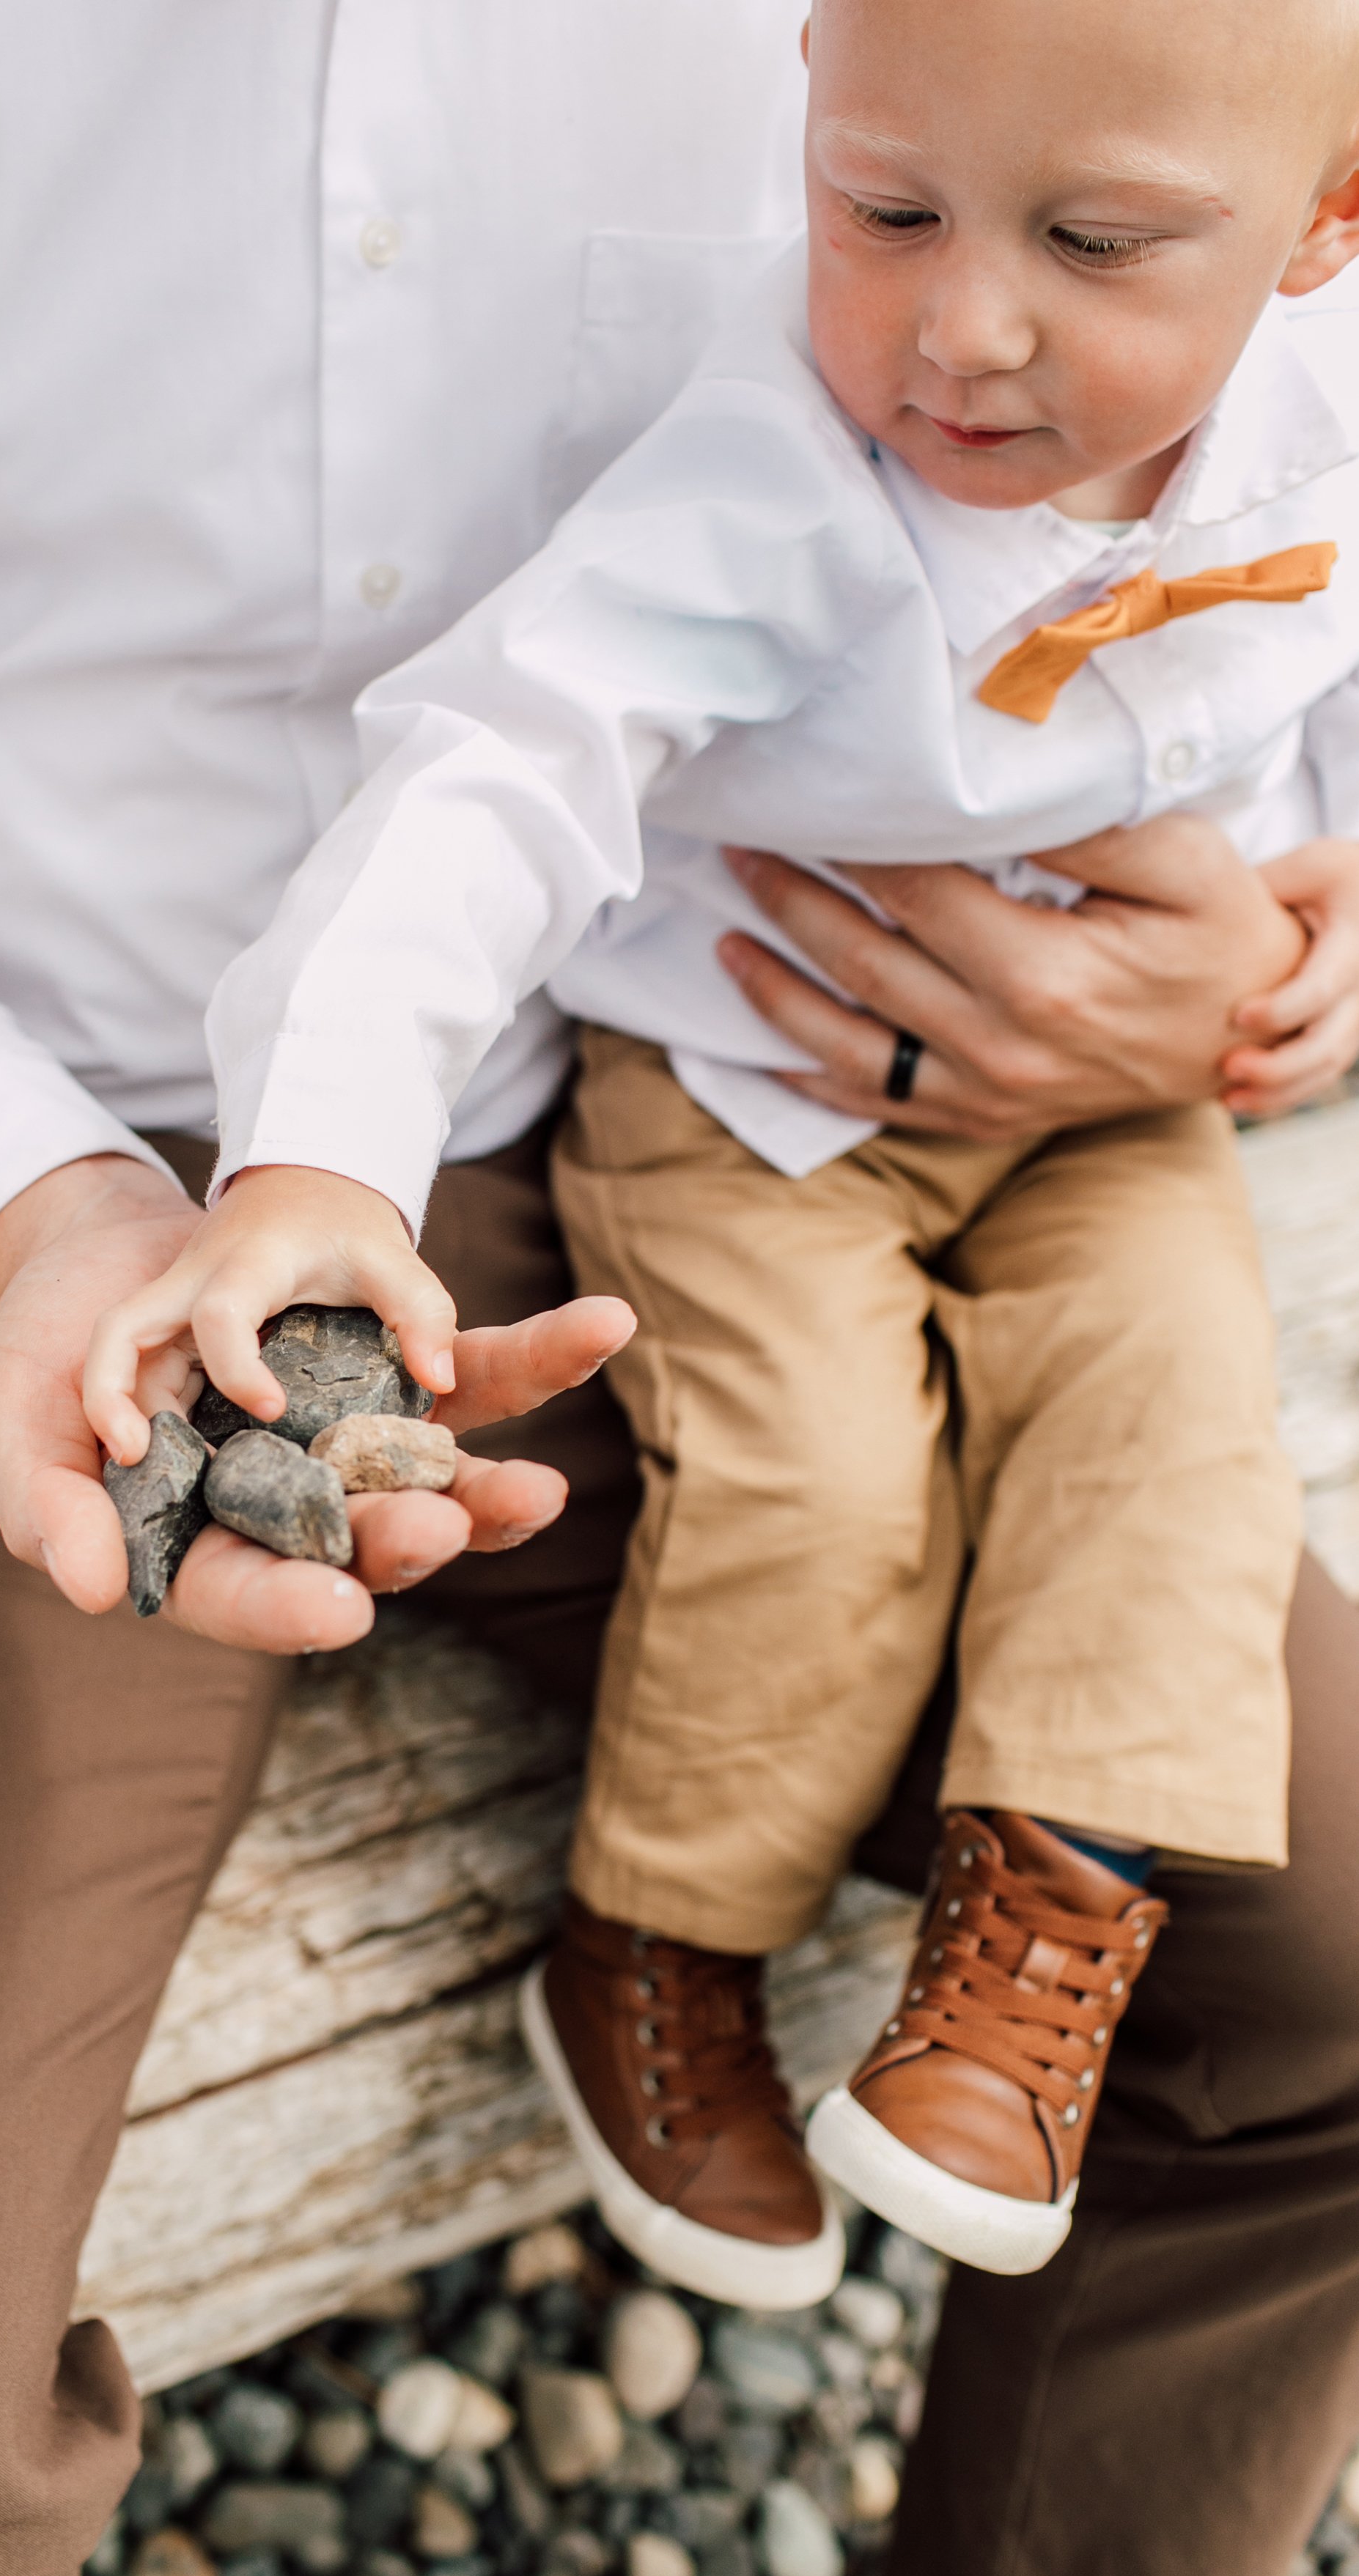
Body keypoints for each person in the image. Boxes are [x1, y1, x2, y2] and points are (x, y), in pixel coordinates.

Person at [0, 4, 1356, 2576]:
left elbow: (1238, 385)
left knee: (1339, 1967)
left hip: (700, 1119)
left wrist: (1271, 953)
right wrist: (46, 1226)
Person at [91, 0, 1358, 2299]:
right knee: (810, 1479)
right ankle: (658, 1945)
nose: (959, 324)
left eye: (1092, 244)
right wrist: (322, 1159)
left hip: (1111, 1108)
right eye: (879, 208)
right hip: (743, 1085)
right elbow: (496, 771)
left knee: (1175, 1441)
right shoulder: (774, 460)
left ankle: (1031, 1943)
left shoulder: (1337, 408)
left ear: (1324, 223)